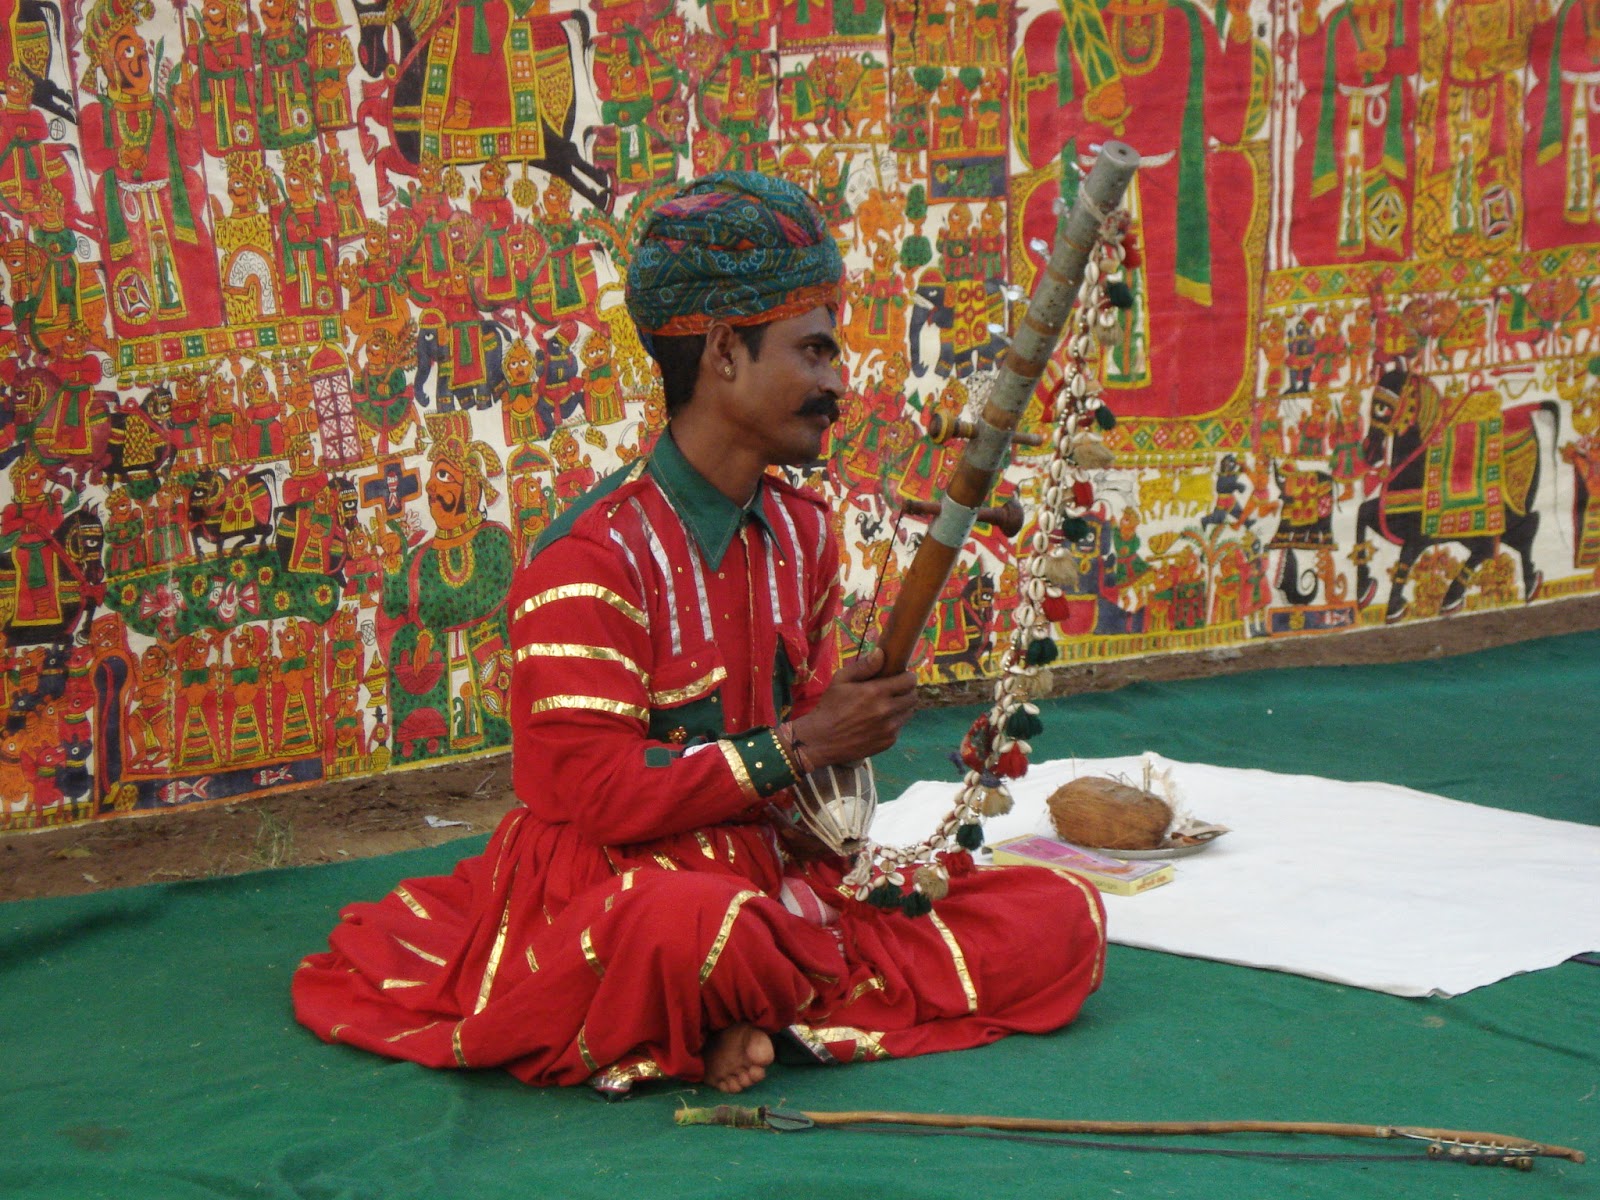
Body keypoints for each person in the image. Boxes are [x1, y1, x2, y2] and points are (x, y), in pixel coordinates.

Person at [292, 172, 1106, 1095]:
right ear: (724, 352)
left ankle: (733, 1006)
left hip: (768, 869)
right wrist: (803, 742)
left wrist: (838, 725)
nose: (837, 384)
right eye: (814, 352)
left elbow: (804, 746)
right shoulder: (587, 560)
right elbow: (597, 794)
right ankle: (739, 991)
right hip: (618, 884)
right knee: (689, 926)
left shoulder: (803, 531)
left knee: (1057, 916)